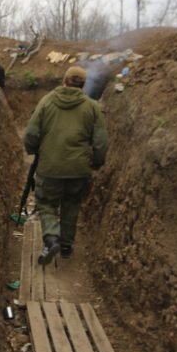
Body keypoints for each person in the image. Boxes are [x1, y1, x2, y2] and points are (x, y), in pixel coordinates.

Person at [23, 66, 108, 265]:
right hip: (79, 169)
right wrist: (96, 162)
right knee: (71, 204)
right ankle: (66, 246)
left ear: (64, 80)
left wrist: (34, 150)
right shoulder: (92, 107)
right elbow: (101, 141)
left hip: (50, 167)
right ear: (83, 84)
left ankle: (51, 238)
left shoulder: (47, 101)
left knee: (47, 203)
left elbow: (31, 133)